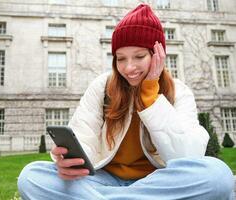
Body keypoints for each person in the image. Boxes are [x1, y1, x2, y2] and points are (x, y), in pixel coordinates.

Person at [17, 4, 234, 200]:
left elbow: (186, 157)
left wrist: (150, 95)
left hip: (159, 182)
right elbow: (83, 136)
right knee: (31, 176)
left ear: (157, 54)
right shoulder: (102, 87)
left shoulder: (180, 92)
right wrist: (68, 162)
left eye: (139, 57)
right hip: (104, 180)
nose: (129, 68)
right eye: (120, 58)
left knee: (217, 176)